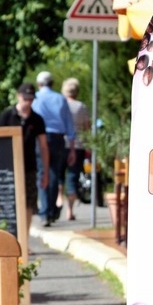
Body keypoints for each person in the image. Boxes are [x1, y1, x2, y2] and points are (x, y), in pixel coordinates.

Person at [0, 82, 49, 228]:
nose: (28, 102)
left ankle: (24, 238)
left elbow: (44, 146)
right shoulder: (7, 116)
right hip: (8, 168)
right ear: (18, 96)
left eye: (31, 99)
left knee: (29, 204)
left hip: (29, 167)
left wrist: (45, 172)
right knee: (8, 203)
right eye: (25, 99)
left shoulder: (37, 119)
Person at [33, 70, 75, 226]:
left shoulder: (36, 98)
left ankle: (45, 212)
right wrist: (72, 148)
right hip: (58, 139)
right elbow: (69, 124)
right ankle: (50, 211)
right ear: (52, 83)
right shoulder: (60, 98)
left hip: (41, 138)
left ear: (39, 84)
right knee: (54, 174)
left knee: (43, 173)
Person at [60, 77, 90, 220]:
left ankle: (58, 199)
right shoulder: (81, 107)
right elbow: (87, 127)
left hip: (61, 144)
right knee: (72, 177)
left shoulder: (60, 105)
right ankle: (69, 211)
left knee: (59, 175)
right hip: (78, 146)